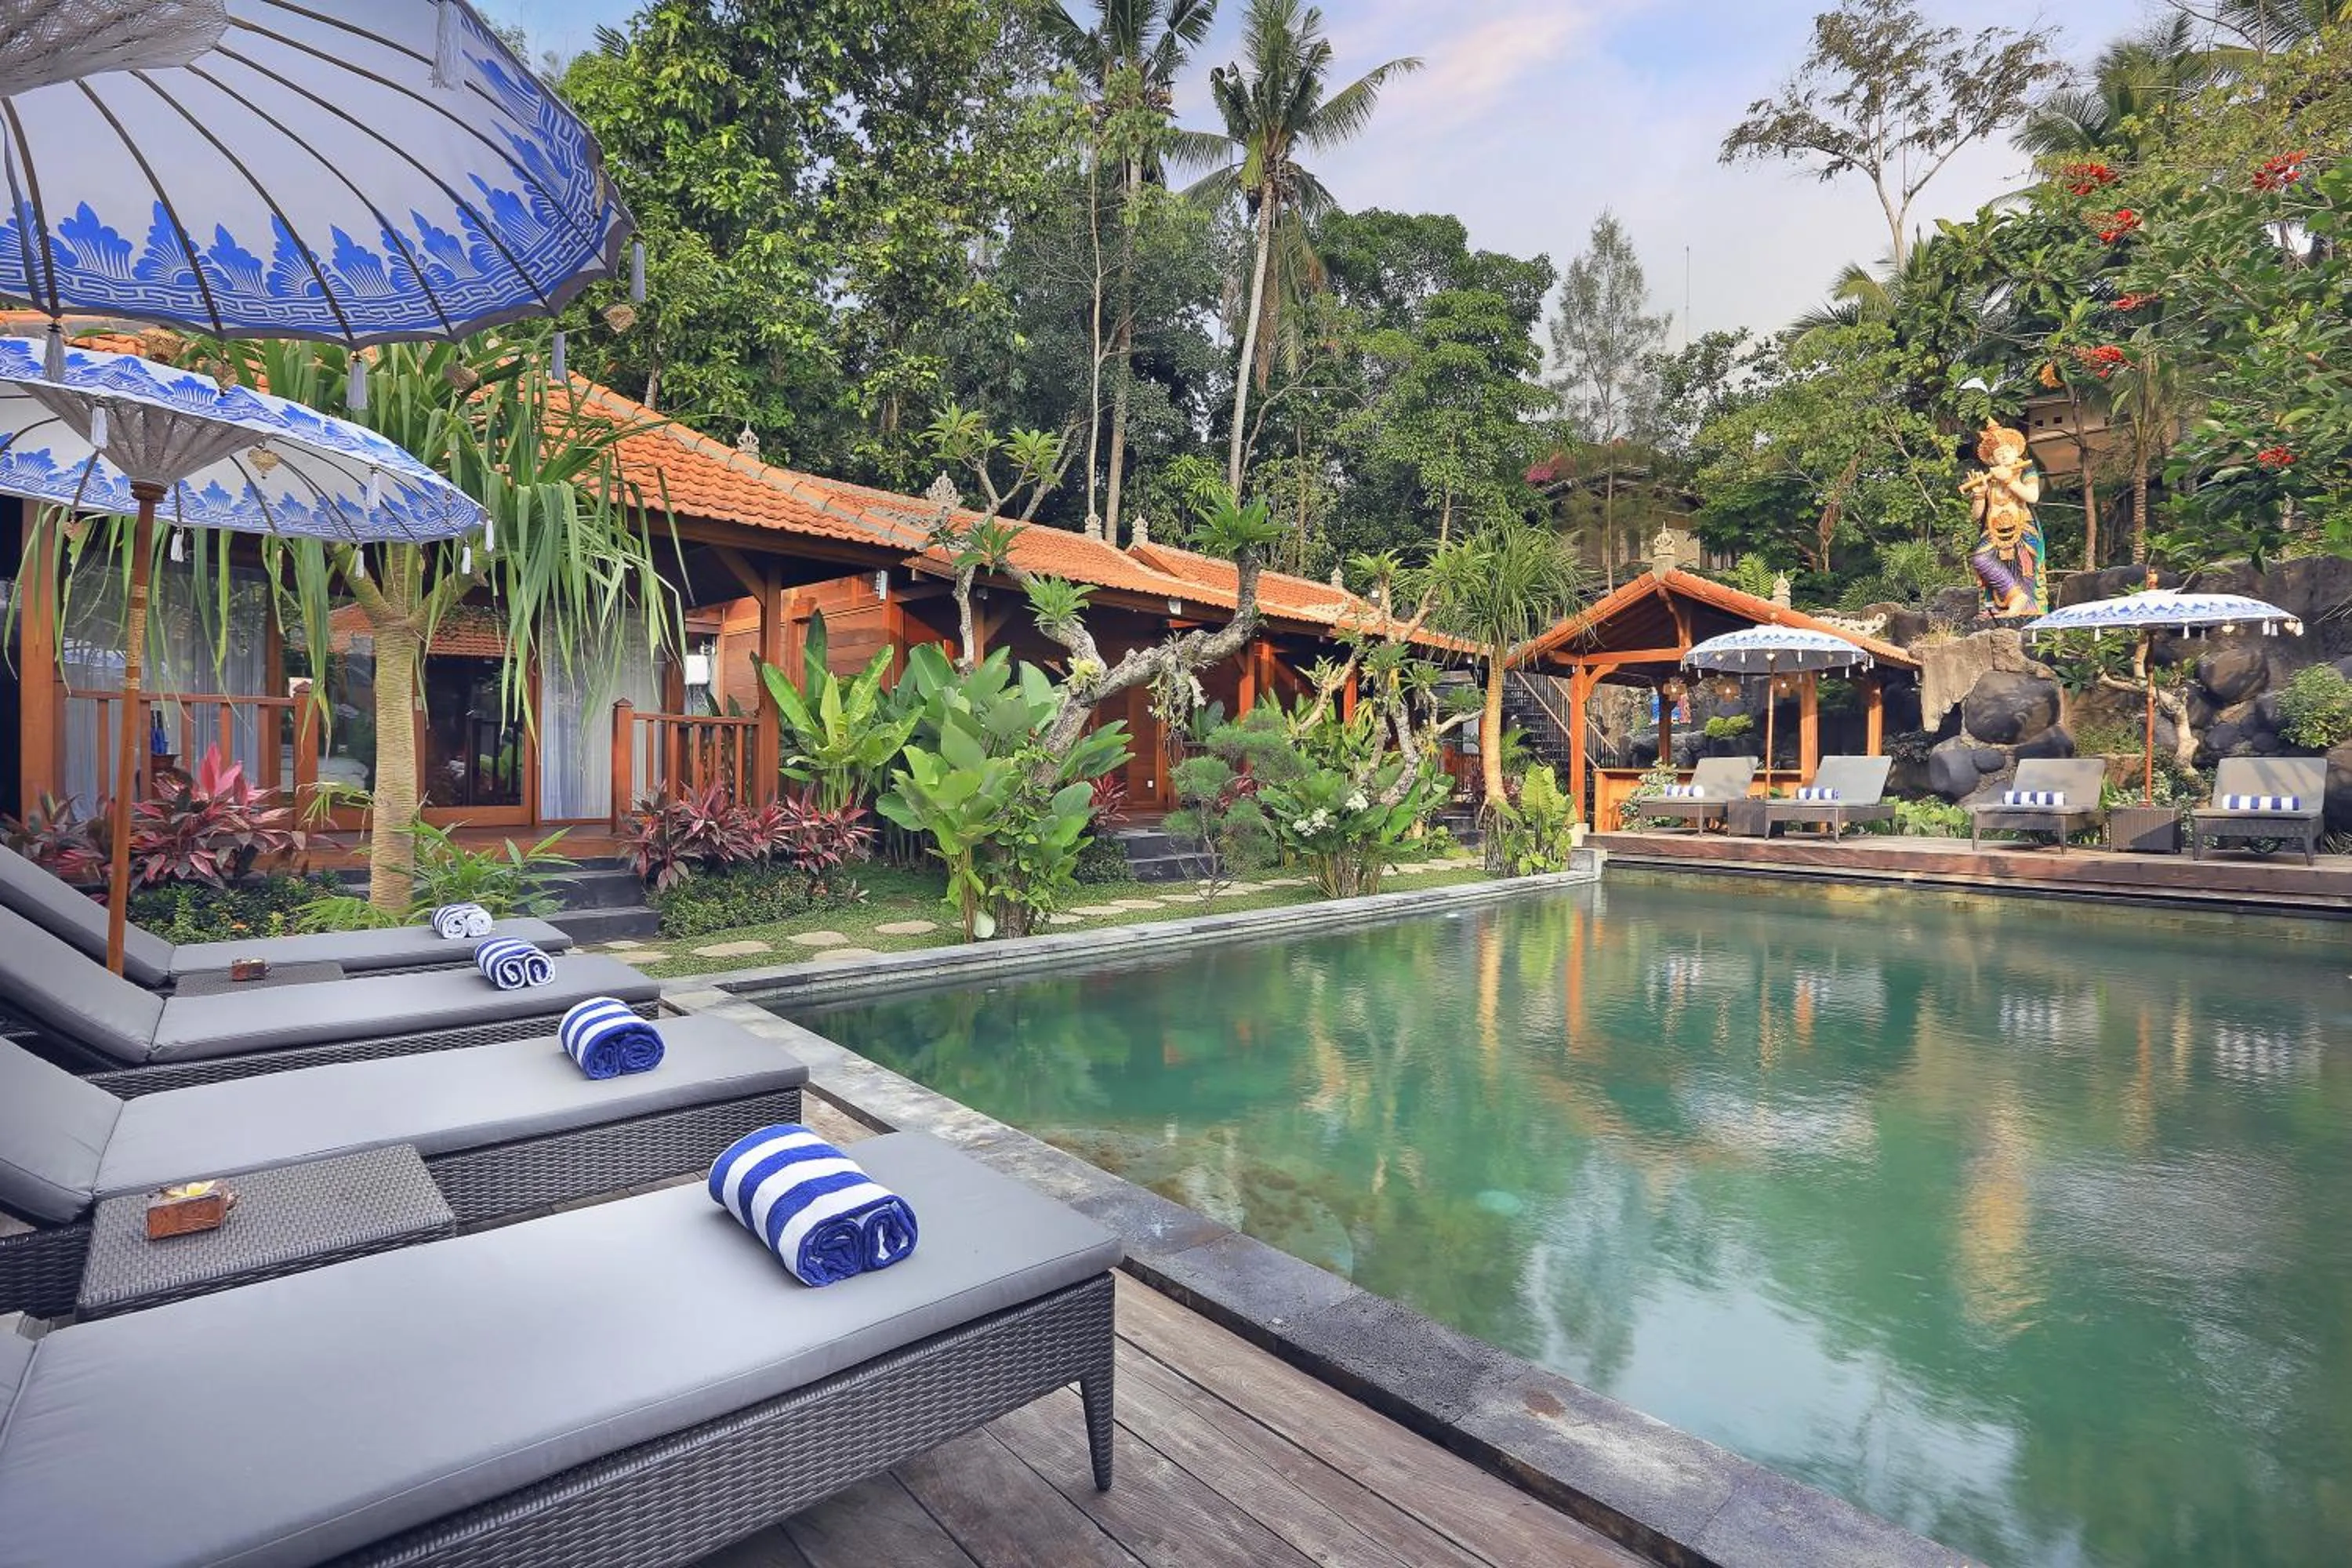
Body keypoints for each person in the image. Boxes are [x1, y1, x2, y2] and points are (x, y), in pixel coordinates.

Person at [1962, 421, 2045, 619]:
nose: (2004, 456)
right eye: (1999, 454)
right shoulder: (1989, 480)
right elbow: (1976, 516)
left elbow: (2032, 496)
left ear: (2017, 452)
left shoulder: (2026, 471)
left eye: (2007, 451)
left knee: (2024, 566)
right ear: (1991, 460)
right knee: (1981, 559)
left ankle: (2025, 604)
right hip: (1992, 531)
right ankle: (2013, 597)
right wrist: (1979, 495)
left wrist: (2009, 479)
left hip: (2022, 528)